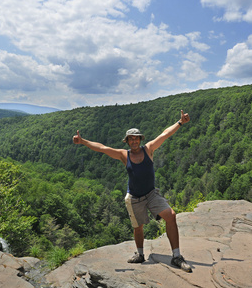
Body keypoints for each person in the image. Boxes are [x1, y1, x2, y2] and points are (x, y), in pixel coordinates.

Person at [73, 110, 192, 272]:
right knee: (138, 227)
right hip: (134, 197)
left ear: (140, 139)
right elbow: (102, 148)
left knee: (170, 216)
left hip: (151, 194)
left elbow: (164, 134)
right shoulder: (124, 155)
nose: (134, 141)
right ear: (127, 141)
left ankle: (176, 256)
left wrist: (180, 123)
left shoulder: (149, 149)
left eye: (136, 138)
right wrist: (83, 141)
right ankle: (141, 255)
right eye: (131, 139)